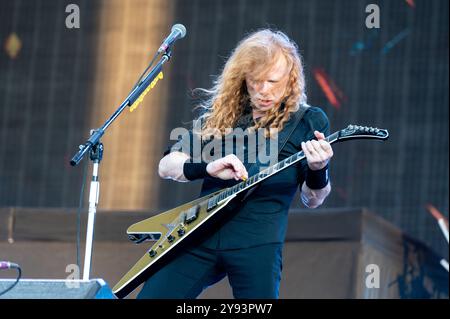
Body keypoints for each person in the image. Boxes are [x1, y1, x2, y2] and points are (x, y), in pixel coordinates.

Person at [137, 29, 333, 299]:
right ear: (243, 79)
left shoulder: (308, 121)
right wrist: (206, 168)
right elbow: (167, 166)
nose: (263, 91)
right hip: (201, 235)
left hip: (258, 243)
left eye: (273, 81)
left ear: (290, 79)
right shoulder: (223, 114)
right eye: (255, 81)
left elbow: (314, 199)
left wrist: (318, 169)